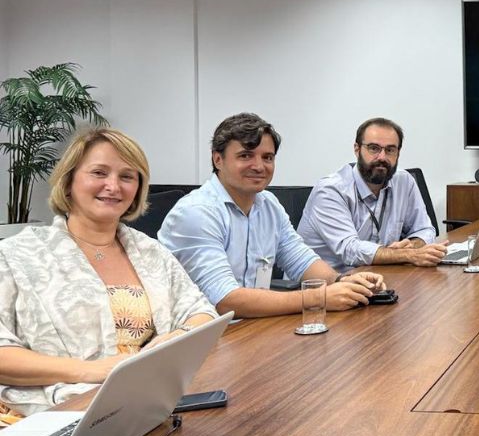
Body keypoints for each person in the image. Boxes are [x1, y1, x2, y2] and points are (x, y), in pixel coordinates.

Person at [0, 128, 217, 415]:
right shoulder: (15, 255)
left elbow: (202, 312)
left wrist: (176, 337)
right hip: (47, 416)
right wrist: (90, 370)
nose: (113, 186)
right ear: (68, 182)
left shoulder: (150, 252)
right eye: (99, 173)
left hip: (142, 409)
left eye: (127, 177)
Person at [159, 113, 385, 318]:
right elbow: (225, 300)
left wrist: (344, 282)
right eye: (245, 156)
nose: (259, 166)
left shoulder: (268, 205)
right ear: (218, 160)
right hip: (198, 336)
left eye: (267, 157)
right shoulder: (196, 213)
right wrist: (319, 298)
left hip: (250, 326)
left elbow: (301, 260)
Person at [298, 117, 447, 269]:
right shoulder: (330, 191)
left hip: (380, 273)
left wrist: (412, 246)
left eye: (390, 150)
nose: (382, 157)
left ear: (398, 153)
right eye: (374, 148)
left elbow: (424, 229)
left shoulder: (404, 181)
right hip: (329, 280)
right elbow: (350, 249)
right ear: (357, 149)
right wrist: (406, 255)